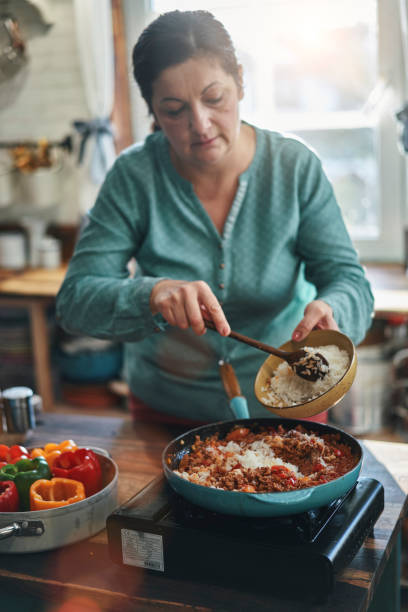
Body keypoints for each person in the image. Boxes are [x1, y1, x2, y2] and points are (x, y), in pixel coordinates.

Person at [56, 10, 374, 425]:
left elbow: (350, 282)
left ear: (240, 80)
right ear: (152, 108)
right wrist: (151, 294)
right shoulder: (134, 175)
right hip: (166, 411)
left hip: (289, 404)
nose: (200, 125)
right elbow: (76, 300)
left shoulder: (294, 168)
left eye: (214, 98)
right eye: (173, 110)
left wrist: (333, 309)